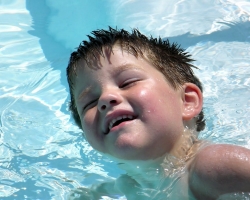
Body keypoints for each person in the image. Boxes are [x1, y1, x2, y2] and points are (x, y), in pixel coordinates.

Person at [66, 27, 250, 200]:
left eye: (127, 82)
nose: (105, 99)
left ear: (187, 101)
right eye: (90, 102)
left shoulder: (213, 166)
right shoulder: (130, 184)